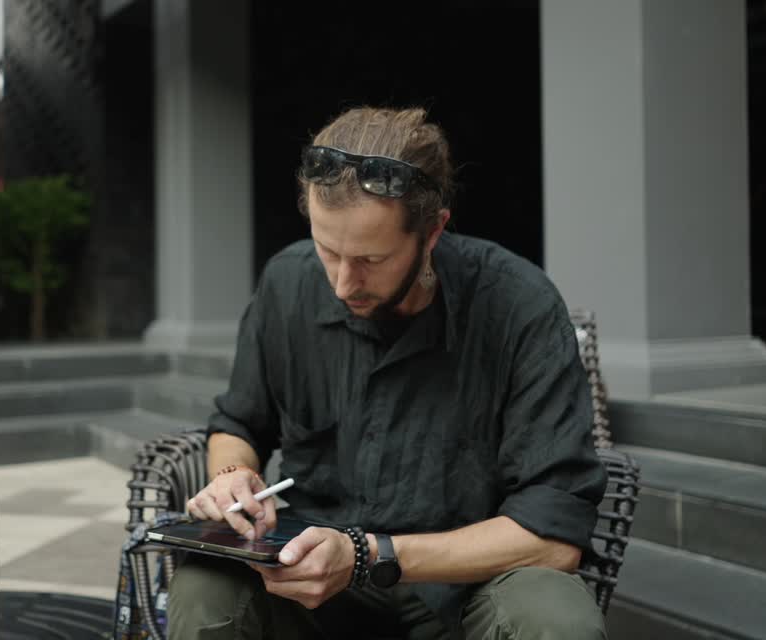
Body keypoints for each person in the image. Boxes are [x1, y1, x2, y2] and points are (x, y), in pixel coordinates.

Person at [167, 107, 608, 639]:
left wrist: (365, 554)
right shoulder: (287, 283)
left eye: (371, 260)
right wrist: (231, 480)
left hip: (469, 586)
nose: (342, 283)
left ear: (433, 232)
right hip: (313, 585)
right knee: (205, 585)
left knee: (557, 618)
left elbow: (554, 537)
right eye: (327, 250)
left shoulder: (520, 306)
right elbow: (238, 423)